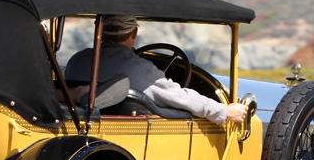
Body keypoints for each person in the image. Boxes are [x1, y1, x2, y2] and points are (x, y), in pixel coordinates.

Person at [64, 14, 248, 125]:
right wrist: (223, 111)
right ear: (134, 33)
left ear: (100, 31)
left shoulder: (76, 60)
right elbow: (177, 97)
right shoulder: (135, 67)